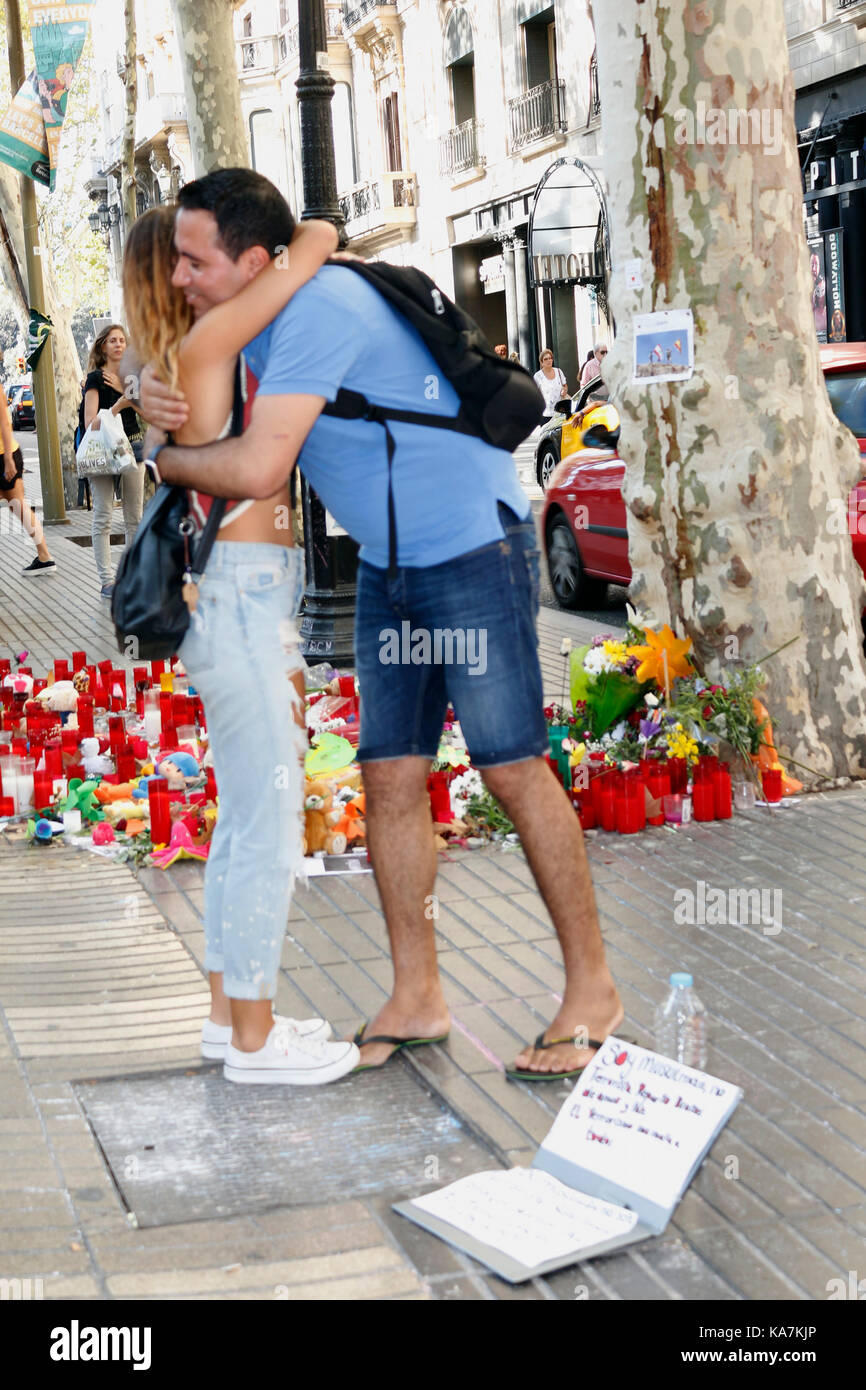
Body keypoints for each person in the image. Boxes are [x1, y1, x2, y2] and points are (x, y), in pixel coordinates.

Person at [140, 168, 623, 1083]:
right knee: (390, 776)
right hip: (393, 570)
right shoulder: (266, 319)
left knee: (514, 768)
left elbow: (255, 466)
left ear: (252, 261)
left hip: (475, 551)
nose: (180, 277)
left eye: (193, 259)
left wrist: (163, 458)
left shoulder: (318, 313)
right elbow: (192, 365)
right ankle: (416, 996)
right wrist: (154, 397)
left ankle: (592, 992)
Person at [122, 192, 358, 1086]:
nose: (193, 275)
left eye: (199, 259)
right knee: (265, 824)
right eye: (181, 263)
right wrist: (317, 229)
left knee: (241, 820)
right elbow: (309, 249)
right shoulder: (208, 345)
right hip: (244, 602)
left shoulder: (178, 364)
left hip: (232, 602)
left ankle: (233, 1018)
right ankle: (256, 1042)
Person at [82, 325, 147, 597]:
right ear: (103, 346)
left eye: (122, 340)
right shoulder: (95, 378)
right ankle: (108, 580)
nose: (119, 344)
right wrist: (119, 403)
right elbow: (90, 423)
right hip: (103, 450)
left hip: (134, 446)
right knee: (103, 517)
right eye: (113, 340)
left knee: (135, 517)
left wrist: (125, 390)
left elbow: (151, 415)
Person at [0, 380, 56, 576]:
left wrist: (7, 459)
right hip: (7, 455)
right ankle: (44, 556)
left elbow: (5, 421)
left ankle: (45, 556)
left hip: (4, 455)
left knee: (19, 506)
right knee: (19, 506)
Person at [533, 348, 569, 418]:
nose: (549, 360)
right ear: (541, 362)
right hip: (545, 414)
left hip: (560, 413)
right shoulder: (537, 376)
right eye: (546, 359)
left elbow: (565, 386)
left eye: (550, 358)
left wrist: (564, 390)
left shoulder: (558, 371)